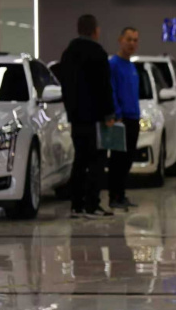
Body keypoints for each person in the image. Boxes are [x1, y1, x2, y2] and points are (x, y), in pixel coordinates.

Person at [60, 14, 116, 218]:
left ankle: (76, 205)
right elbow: (104, 87)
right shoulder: (98, 53)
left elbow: (65, 86)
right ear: (95, 30)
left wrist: (71, 110)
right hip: (95, 118)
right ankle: (92, 204)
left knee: (80, 159)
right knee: (97, 161)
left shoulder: (68, 53)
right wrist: (109, 113)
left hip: (76, 118)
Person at [108, 27, 141, 210]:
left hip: (133, 118)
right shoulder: (113, 64)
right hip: (121, 120)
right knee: (118, 160)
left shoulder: (132, 66)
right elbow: (111, 91)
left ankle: (121, 195)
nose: (132, 44)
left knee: (127, 160)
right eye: (129, 39)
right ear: (120, 40)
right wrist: (117, 114)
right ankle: (114, 197)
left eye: (135, 40)